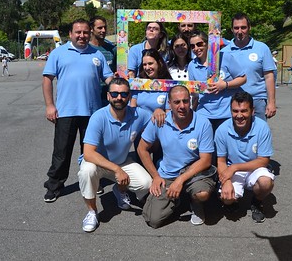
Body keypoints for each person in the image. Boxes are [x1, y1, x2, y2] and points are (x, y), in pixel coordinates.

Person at [42, 18, 114, 203]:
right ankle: (54, 186)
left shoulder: (96, 54)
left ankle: (92, 182)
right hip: (66, 112)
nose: (82, 36)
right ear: (71, 34)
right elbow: (47, 79)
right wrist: (50, 105)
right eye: (78, 32)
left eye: (85, 32)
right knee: (61, 152)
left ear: (89, 33)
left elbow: (108, 78)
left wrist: (120, 87)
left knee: (90, 151)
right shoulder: (58, 53)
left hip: (92, 113)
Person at [77, 78, 152, 233]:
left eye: (124, 94)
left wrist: (158, 112)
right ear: (108, 96)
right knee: (87, 171)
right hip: (97, 162)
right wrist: (117, 170)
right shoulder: (99, 117)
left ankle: (120, 190)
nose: (119, 97)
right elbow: (88, 153)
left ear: (129, 96)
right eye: (115, 94)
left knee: (146, 183)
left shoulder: (138, 114)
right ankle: (92, 211)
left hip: (121, 161)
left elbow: (156, 119)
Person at [138, 85, 216, 228]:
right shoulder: (160, 120)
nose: (182, 106)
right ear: (169, 104)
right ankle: (178, 199)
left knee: (202, 193)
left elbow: (206, 160)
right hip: (167, 174)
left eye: (185, 101)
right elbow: (142, 149)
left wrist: (180, 180)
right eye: (177, 102)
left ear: (190, 101)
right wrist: (155, 176)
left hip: (194, 172)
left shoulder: (203, 123)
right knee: (153, 220)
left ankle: (195, 202)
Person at [214, 91, 275, 223]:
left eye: (244, 111)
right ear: (230, 111)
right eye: (235, 111)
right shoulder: (222, 130)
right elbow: (221, 161)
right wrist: (226, 182)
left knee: (266, 183)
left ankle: (256, 201)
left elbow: (264, 160)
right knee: (226, 197)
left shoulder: (262, 127)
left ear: (252, 111)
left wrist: (235, 167)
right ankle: (232, 202)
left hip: (255, 167)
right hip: (232, 170)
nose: (239, 115)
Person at [221, 13, 277, 121]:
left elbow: (269, 77)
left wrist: (271, 102)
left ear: (249, 28)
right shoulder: (223, 52)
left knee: (257, 135)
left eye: (243, 27)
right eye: (236, 28)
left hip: (257, 101)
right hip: (233, 103)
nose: (240, 31)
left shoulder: (262, 48)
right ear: (232, 29)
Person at [188, 30, 246, 131]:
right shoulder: (192, 65)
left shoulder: (225, 57)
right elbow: (195, 95)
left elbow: (243, 78)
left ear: (207, 44)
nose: (196, 48)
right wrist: (192, 112)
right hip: (204, 113)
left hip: (226, 113)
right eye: (192, 46)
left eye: (199, 44)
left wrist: (225, 85)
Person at [89, 16, 117, 109]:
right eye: (100, 28)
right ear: (91, 29)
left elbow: (118, 70)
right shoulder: (86, 49)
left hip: (109, 98)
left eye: (105, 27)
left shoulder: (113, 49)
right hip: (90, 96)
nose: (103, 30)